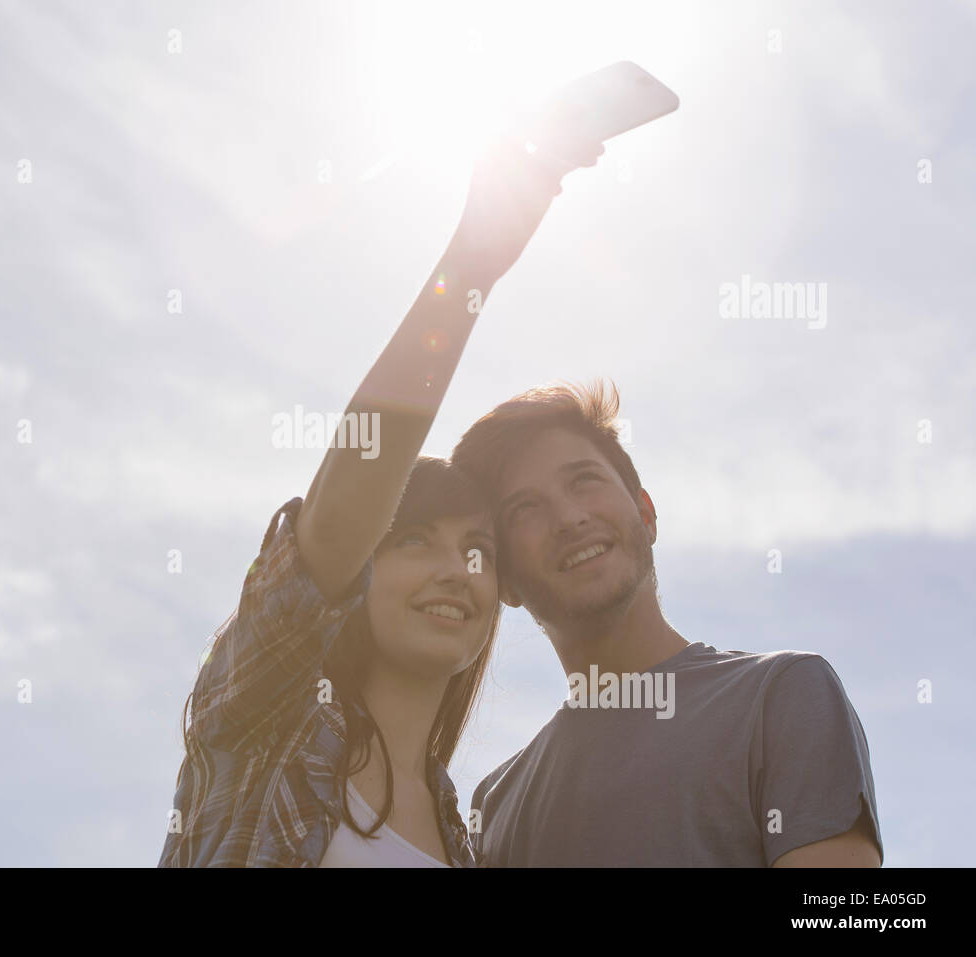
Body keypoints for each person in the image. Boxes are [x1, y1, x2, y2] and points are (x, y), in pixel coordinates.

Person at [158, 117, 605, 867]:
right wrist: (471, 268)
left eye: (478, 550)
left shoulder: (471, 842)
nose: (454, 570)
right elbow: (339, 512)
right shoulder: (268, 720)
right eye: (412, 540)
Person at [450, 381, 884, 866]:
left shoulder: (782, 696)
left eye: (584, 480)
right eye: (525, 509)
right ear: (504, 582)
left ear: (646, 514)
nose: (569, 518)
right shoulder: (494, 803)